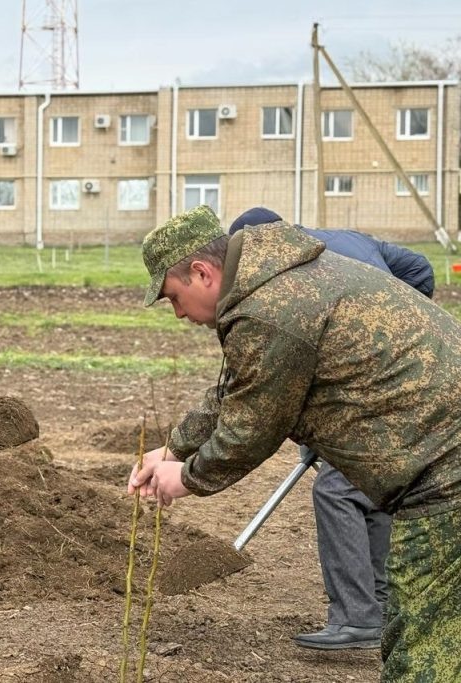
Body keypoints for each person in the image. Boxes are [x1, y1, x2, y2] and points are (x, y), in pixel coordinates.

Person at [129, 205, 461, 681]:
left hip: (445, 473)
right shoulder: (276, 279)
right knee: (429, 627)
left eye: (173, 298)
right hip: (437, 458)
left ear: (202, 273)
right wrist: (175, 447)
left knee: (423, 649)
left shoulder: (271, 308)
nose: (179, 313)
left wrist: (186, 477)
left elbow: (251, 429)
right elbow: (238, 387)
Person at [229, 207, 435, 651]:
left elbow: (289, 360)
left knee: (337, 490)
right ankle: (378, 605)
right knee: (369, 486)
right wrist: (408, 319)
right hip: (401, 376)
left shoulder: (296, 274)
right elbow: (420, 268)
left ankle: (358, 618)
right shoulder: (340, 239)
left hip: (385, 386)